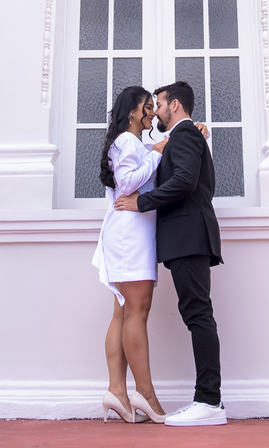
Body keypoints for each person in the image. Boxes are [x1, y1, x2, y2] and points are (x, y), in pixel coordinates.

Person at [114, 80, 226, 427]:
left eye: (159, 104)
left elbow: (185, 181)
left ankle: (208, 401)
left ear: (174, 105)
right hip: (185, 237)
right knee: (196, 313)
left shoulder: (187, 134)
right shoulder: (186, 136)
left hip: (189, 236)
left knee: (198, 314)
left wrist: (140, 202)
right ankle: (208, 400)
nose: (156, 111)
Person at [93, 86, 168, 424]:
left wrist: (153, 148)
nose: (152, 113)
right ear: (133, 111)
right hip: (130, 233)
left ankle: (117, 392)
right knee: (136, 311)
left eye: (154, 106)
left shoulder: (129, 142)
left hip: (128, 231)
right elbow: (127, 184)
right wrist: (157, 153)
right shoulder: (127, 141)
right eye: (148, 107)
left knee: (124, 314)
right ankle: (145, 394)